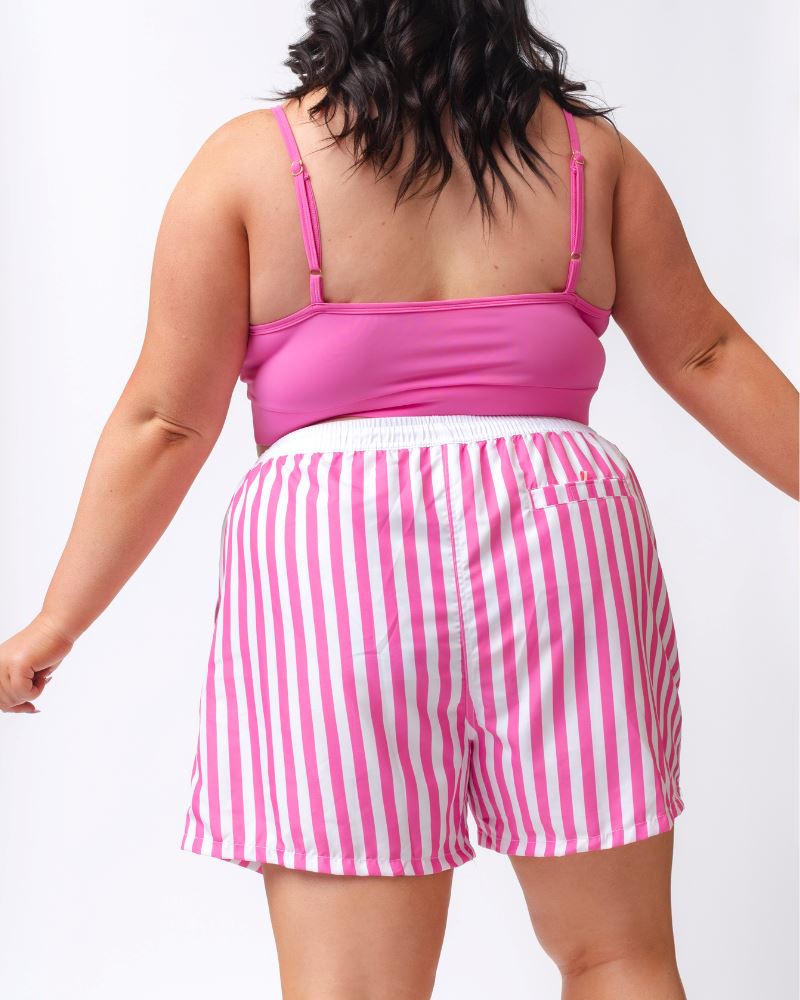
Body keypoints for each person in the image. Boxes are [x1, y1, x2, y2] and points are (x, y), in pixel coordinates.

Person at [1, 1, 797, 998]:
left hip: (332, 554)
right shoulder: (589, 157)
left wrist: (54, 624)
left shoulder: (250, 163)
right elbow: (703, 351)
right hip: (562, 533)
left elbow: (166, 420)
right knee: (615, 955)